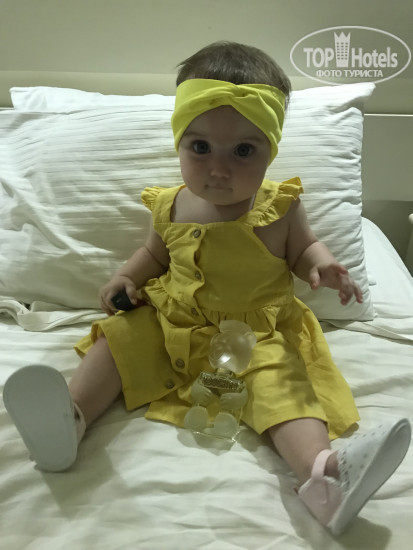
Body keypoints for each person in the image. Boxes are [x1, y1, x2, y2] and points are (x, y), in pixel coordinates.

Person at [4, 41, 410, 536]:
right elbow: (154, 255)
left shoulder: (279, 208)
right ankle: (69, 419)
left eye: (243, 151)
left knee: (282, 388)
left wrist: (322, 266)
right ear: (179, 143)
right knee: (117, 342)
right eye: (200, 148)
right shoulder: (171, 204)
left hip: (253, 336)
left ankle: (323, 475)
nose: (219, 169)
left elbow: (305, 248)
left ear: (271, 150)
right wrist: (125, 278)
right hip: (171, 320)